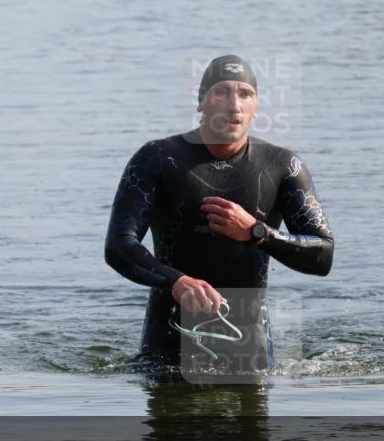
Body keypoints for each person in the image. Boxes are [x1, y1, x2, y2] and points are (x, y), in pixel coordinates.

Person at [104, 54, 334, 369]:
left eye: (245, 94)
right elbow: (119, 245)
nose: (233, 105)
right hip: (168, 346)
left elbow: (323, 255)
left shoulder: (283, 166)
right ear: (201, 102)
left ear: (256, 106)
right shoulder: (156, 159)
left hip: (249, 350)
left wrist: (257, 232)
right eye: (221, 92)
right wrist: (177, 282)